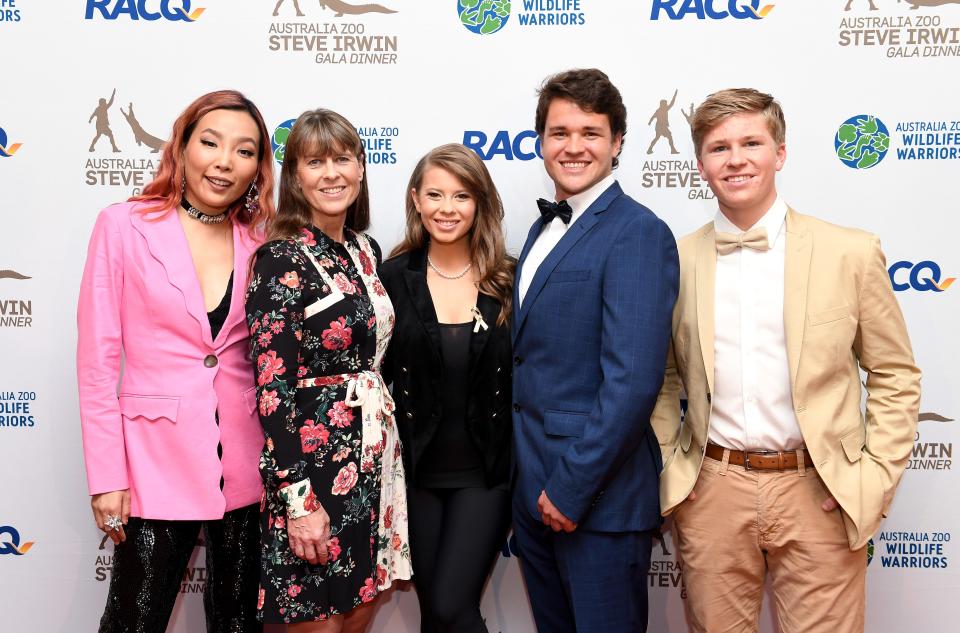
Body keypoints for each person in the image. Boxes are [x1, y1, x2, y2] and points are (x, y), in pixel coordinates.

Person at [651, 88, 922, 633]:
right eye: (719, 147)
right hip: (713, 491)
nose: (736, 159)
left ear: (780, 152)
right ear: (701, 164)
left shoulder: (850, 251)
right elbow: (660, 380)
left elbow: (894, 374)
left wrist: (870, 479)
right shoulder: (673, 259)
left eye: (752, 142)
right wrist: (671, 469)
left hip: (819, 487)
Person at [77, 89, 276, 633]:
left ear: (259, 166)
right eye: (210, 142)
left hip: (245, 462)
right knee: (133, 619)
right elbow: (97, 362)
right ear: (181, 146)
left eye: (244, 150)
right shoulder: (124, 225)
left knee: (238, 623)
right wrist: (106, 476)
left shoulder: (262, 240)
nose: (224, 162)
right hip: (151, 460)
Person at [511, 68, 679, 633]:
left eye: (591, 132)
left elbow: (632, 381)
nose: (574, 146)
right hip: (532, 490)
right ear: (541, 141)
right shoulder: (541, 231)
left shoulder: (636, 232)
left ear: (618, 143)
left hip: (594, 501)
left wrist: (570, 487)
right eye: (560, 132)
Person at [245, 108, 411, 631]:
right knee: (318, 621)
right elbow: (272, 391)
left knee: (360, 610)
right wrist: (297, 501)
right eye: (315, 162)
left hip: (372, 462)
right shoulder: (281, 258)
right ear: (295, 176)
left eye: (343, 158)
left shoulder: (365, 249)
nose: (331, 173)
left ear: (362, 167)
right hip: (313, 471)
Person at [380, 144, 514, 633]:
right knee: (434, 615)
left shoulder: (509, 280)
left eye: (461, 195)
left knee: (452, 607)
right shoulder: (391, 279)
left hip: (486, 475)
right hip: (413, 477)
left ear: (479, 203)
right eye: (434, 194)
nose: (446, 208)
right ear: (416, 199)